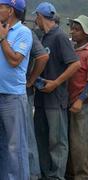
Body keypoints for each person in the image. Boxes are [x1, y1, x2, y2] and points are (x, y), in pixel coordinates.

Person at [33, 2, 80, 179]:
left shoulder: (59, 36)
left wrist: (56, 82)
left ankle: (56, 176)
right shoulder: (41, 36)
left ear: (39, 16)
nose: (36, 20)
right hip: (41, 98)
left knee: (57, 141)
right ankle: (45, 174)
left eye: (36, 17)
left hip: (56, 98)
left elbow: (75, 64)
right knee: (42, 139)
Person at [0, 0, 32, 179]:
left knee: (15, 146)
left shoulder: (23, 32)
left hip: (13, 96)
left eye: (0, 7)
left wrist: (3, 38)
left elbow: (14, 61)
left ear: (10, 10)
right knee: (3, 145)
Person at [67, 15, 88, 180]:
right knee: (72, 140)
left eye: (77, 29)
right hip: (70, 99)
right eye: (72, 28)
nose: (73, 31)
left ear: (86, 33)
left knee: (80, 142)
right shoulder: (74, 48)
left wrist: (80, 100)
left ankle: (82, 176)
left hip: (82, 102)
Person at [26, 31, 49, 180]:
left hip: (22, 92)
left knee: (26, 133)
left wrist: (31, 80)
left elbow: (42, 57)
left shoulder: (24, 32)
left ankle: (34, 174)